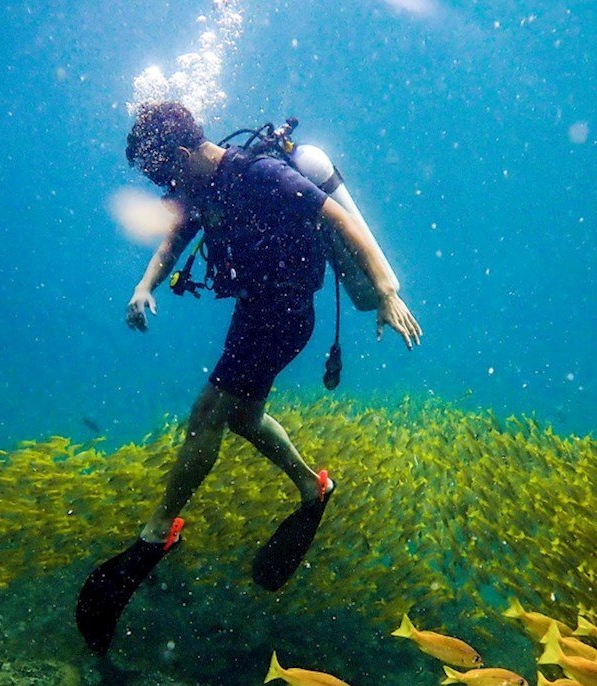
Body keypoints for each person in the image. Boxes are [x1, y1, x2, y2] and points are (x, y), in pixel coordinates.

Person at [76, 101, 421, 655]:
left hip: (285, 315)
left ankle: (157, 532)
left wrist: (386, 291)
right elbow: (175, 238)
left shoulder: (260, 175)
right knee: (242, 416)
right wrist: (145, 286)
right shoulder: (202, 188)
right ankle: (312, 486)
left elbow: (341, 219)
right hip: (255, 311)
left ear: (183, 155)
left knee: (207, 414)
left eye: (164, 176)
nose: (164, 190)